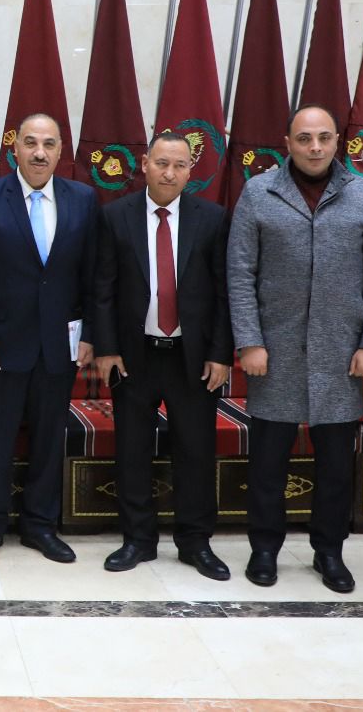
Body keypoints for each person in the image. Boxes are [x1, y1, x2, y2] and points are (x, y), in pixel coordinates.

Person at [227, 104, 363, 593]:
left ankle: (329, 551)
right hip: (273, 352)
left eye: (323, 137)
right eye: (304, 138)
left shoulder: (362, 194)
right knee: (268, 463)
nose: (314, 147)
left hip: (342, 354)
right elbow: (240, 273)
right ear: (288, 143)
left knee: (336, 466)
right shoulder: (260, 192)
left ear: (338, 141)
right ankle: (264, 548)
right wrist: (249, 341)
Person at [0, 113, 99, 565]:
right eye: (31, 143)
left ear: (61, 151)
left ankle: (40, 525)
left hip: (59, 347)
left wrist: (89, 335)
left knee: (48, 440)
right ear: (14, 148)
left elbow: (93, 276)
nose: (40, 153)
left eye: (49, 144)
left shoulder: (83, 199)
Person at [93, 132, 232, 580]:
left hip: (192, 359)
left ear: (191, 171)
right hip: (135, 356)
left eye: (179, 165)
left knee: (196, 450)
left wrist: (220, 353)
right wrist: (107, 348)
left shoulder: (212, 219)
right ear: (144, 164)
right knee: (132, 450)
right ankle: (138, 539)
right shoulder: (115, 216)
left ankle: (195, 542)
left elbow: (224, 293)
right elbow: (103, 289)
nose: (169, 173)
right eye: (161, 163)